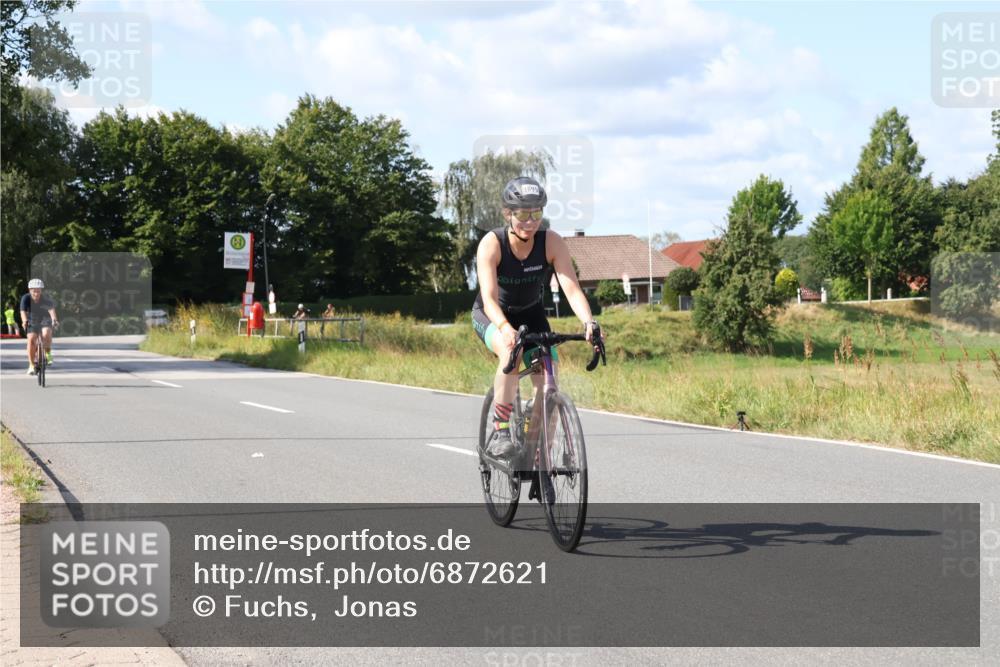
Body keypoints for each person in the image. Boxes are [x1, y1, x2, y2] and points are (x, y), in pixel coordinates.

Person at [472, 176, 602, 458]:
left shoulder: (550, 242)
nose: (530, 221)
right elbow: (490, 299)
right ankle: (502, 429)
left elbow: (571, 287)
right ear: (508, 214)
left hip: (531, 314)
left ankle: (539, 452)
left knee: (549, 376)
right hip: (492, 314)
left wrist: (589, 322)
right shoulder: (491, 244)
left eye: (537, 214)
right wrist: (505, 327)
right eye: (522, 214)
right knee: (511, 351)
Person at [20, 278, 59, 375]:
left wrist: (54, 320)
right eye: (34, 291)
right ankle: (31, 365)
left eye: (38, 291)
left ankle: (48, 352)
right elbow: (23, 311)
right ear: (30, 290)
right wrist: (24, 321)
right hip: (32, 320)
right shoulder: (26, 298)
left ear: (41, 291)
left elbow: (51, 310)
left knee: (46, 333)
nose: (36, 293)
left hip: (45, 319)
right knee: (31, 339)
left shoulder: (46, 299)